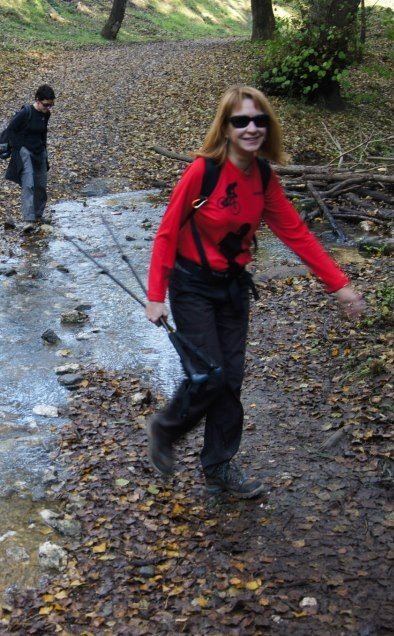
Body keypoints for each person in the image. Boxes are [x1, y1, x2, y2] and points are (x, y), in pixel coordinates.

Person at [144, 86, 365, 498]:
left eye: (259, 120)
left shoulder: (263, 177)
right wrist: (156, 294)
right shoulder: (203, 172)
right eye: (241, 120)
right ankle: (165, 428)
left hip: (233, 289)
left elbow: (297, 234)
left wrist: (340, 286)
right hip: (191, 285)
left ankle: (219, 467)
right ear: (225, 128)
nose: (251, 128)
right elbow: (168, 231)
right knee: (208, 375)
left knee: (230, 381)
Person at [4, 84, 55, 232]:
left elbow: (43, 132)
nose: (48, 108)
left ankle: (38, 215)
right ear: (37, 100)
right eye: (46, 105)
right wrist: (19, 148)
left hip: (40, 151)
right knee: (28, 184)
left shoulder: (46, 114)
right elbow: (10, 130)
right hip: (25, 151)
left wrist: (45, 153)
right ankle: (29, 220)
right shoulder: (25, 113)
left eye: (51, 105)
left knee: (41, 184)